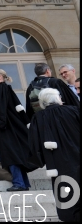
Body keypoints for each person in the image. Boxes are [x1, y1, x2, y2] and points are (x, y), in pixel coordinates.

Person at [28, 88, 80, 222]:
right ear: (58, 98)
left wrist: (38, 160)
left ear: (42, 102)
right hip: (77, 155)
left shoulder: (39, 117)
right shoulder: (74, 110)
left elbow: (35, 144)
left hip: (58, 162)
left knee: (67, 192)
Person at [0, 69, 35, 192]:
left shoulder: (1, 89)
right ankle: (23, 183)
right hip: (10, 126)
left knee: (11, 155)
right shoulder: (5, 89)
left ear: (0, 77)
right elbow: (16, 107)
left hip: (7, 128)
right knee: (15, 154)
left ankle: (19, 183)